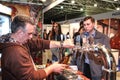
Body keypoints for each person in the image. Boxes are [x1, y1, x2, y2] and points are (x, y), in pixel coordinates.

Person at [0, 15, 74, 80]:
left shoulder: (18, 41)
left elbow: (39, 43)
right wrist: (51, 68)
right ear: (19, 33)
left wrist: (62, 43)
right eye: (29, 34)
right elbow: (31, 77)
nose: (31, 37)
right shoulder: (15, 52)